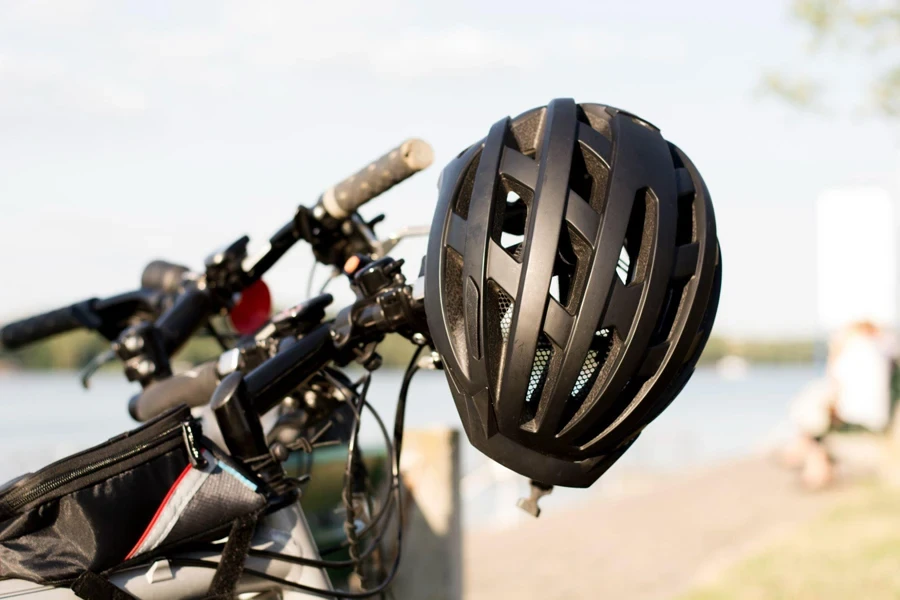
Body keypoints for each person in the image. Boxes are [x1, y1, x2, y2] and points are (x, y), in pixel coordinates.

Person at [784, 320, 898, 489]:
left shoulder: (852, 356)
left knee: (814, 421)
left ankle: (811, 465)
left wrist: (834, 354)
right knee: (815, 423)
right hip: (873, 419)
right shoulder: (882, 349)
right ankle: (810, 461)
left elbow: (835, 390)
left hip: (861, 421)